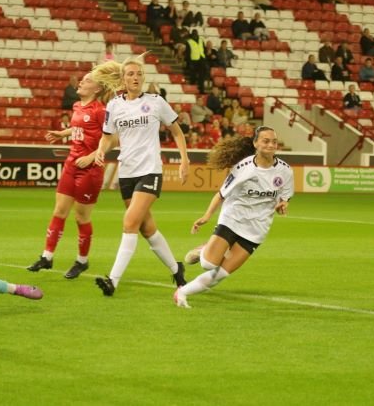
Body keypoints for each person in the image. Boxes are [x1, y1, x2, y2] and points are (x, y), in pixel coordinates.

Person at [91, 55, 190, 296]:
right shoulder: (114, 105)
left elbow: (176, 131)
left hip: (150, 170)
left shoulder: (156, 102)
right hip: (127, 173)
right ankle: (176, 268)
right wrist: (100, 151)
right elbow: (107, 136)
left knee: (129, 223)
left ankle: (113, 280)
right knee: (147, 228)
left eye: (139, 74)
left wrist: (184, 159)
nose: (135, 78)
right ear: (123, 80)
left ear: (143, 77)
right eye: (130, 74)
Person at [174, 127, 293, 308]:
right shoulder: (244, 168)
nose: (271, 145)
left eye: (274, 141)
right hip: (232, 220)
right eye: (266, 141)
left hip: (256, 230)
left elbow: (285, 195)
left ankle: (182, 292)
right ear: (255, 143)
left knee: (220, 274)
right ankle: (205, 249)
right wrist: (207, 216)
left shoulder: (285, 171)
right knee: (207, 264)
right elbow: (221, 194)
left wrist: (283, 204)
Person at [27, 73, 113, 279]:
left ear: (97, 89)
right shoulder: (77, 107)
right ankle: (47, 257)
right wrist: (61, 133)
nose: (82, 82)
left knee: (81, 216)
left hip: (90, 170)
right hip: (71, 164)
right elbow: (78, 127)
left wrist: (93, 157)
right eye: (82, 80)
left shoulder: (101, 111)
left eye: (87, 80)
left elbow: (112, 140)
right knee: (59, 210)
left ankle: (82, 261)